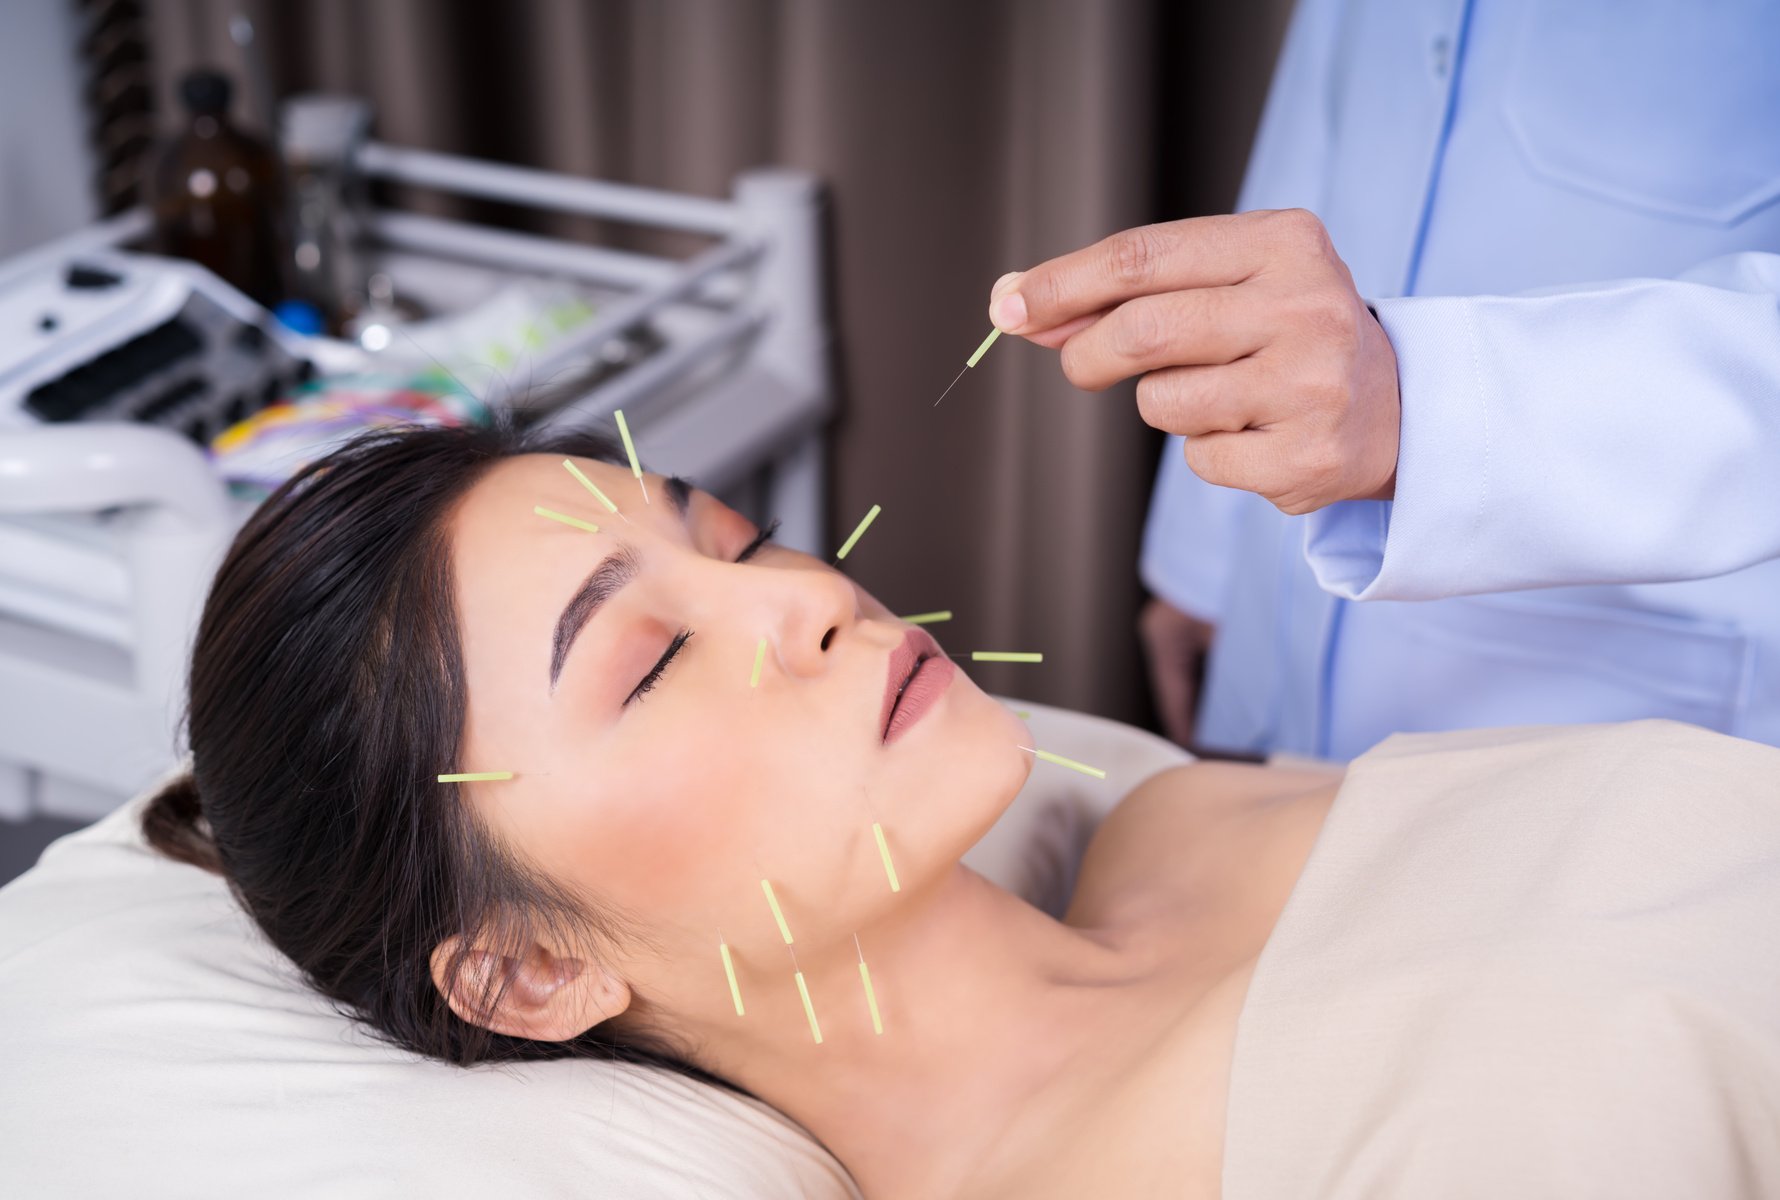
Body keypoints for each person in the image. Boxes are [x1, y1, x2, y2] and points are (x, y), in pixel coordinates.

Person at [142, 424, 1780, 1197]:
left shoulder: (1172, 828)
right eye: (645, 668)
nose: (801, 606)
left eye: (729, 542)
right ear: (526, 973)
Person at [985, 0, 1780, 760]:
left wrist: (1421, 406)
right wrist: (1205, 565)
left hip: (1626, 703)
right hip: (1284, 628)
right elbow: (1318, 130)